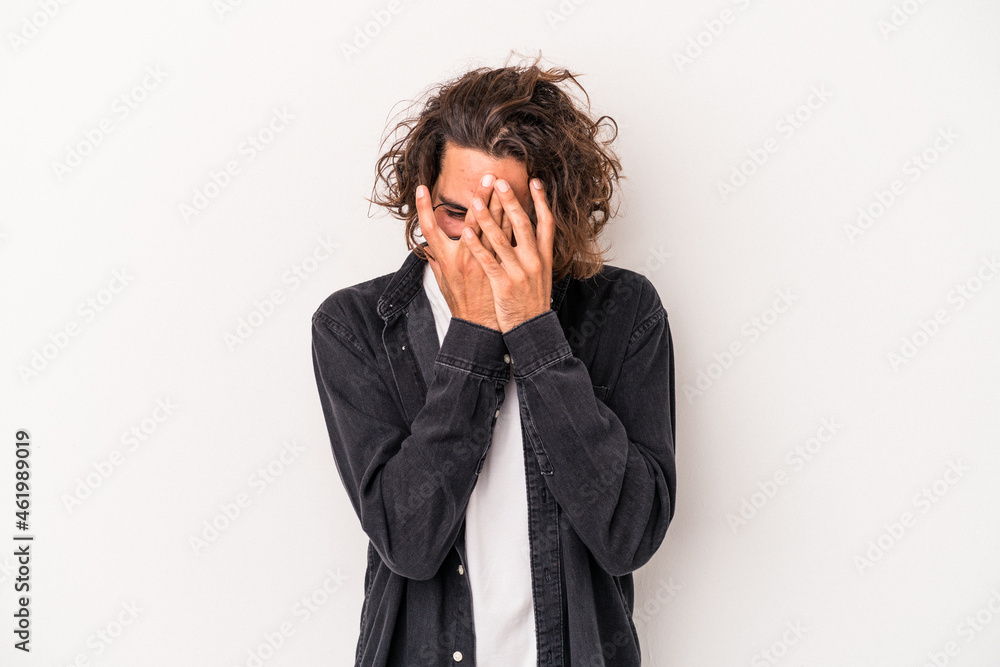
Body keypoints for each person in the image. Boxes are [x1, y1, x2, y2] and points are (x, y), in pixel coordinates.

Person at [311, 52, 677, 667]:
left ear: (553, 212)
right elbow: (410, 540)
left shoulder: (625, 311)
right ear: (422, 203)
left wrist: (533, 330)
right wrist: (477, 331)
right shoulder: (355, 327)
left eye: (509, 218)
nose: (480, 239)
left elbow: (629, 535)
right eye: (458, 214)